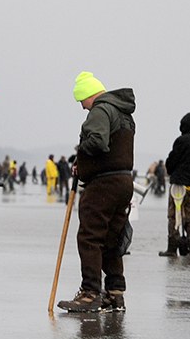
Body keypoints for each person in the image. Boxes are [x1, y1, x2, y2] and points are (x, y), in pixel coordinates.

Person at [57, 71, 136, 312]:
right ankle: (115, 293)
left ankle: (90, 293)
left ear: (88, 95)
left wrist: (80, 150)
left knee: (90, 237)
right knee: (112, 238)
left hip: (102, 184)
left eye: (81, 101)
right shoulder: (123, 113)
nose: (82, 107)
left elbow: (99, 142)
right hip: (124, 181)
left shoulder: (101, 110)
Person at [159, 112, 190, 257]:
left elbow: (172, 162)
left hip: (179, 186)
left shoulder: (181, 141)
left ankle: (172, 248)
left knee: (174, 216)